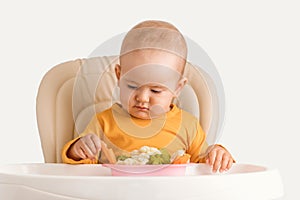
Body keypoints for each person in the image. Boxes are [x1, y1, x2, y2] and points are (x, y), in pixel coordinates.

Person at [62, 20, 234, 173]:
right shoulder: (103, 123)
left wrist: (216, 154)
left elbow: (203, 165)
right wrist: (77, 150)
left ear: (178, 88)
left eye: (156, 91)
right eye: (132, 86)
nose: (143, 98)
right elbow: (80, 167)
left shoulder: (189, 127)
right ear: (119, 76)